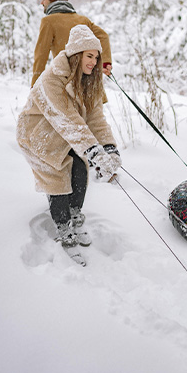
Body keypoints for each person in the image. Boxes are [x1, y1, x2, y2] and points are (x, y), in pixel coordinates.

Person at [17, 24, 121, 266]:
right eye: (89, 56)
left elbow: (95, 118)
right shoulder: (50, 80)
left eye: (97, 57)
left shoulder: (90, 82)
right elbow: (67, 119)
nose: (94, 62)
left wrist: (109, 148)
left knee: (79, 169)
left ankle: (75, 217)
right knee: (57, 176)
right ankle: (64, 230)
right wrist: (94, 151)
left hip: (64, 134)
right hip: (38, 135)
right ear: (77, 54)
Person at [31, 0, 112, 87]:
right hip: (88, 81)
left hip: (67, 81)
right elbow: (103, 36)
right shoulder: (82, 19)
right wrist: (105, 63)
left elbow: (41, 54)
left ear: (52, 0)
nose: (42, 3)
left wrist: (35, 84)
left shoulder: (49, 21)